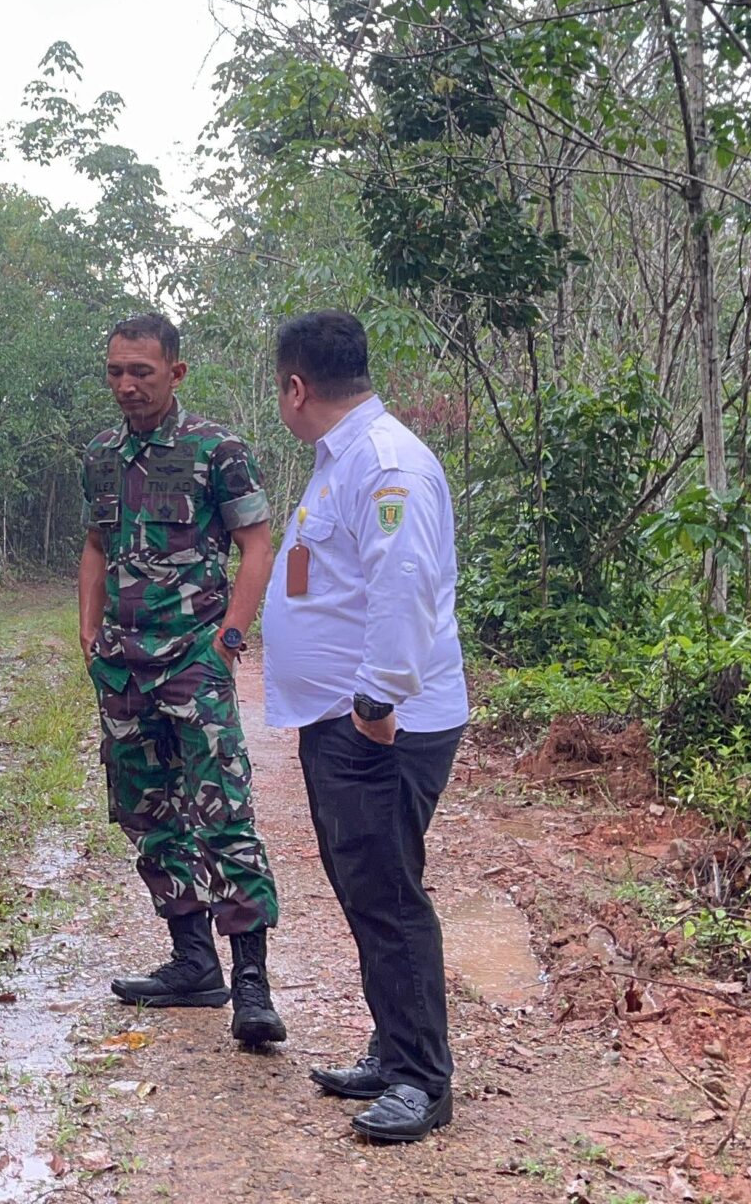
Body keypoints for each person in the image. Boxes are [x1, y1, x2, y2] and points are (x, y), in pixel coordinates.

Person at [260, 310, 471, 1144]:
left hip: (381, 725)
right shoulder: (342, 461)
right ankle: (394, 1049)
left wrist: (376, 705)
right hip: (346, 719)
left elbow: (403, 585)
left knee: (387, 895)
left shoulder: (386, 464)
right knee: (367, 889)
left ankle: (423, 1079)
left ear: (296, 386)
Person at [79, 313, 285, 1046]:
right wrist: (88, 631)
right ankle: (192, 961)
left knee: (222, 811)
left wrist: (229, 638)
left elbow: (258, 546)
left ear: (176, 372)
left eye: (142, 371)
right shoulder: (102, 454)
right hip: (123, 665)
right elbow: (97, 545)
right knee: (148, 813)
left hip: (193, 660)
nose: (128, 385)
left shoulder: (216, 450)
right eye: (115, 372)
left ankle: (251, 986)